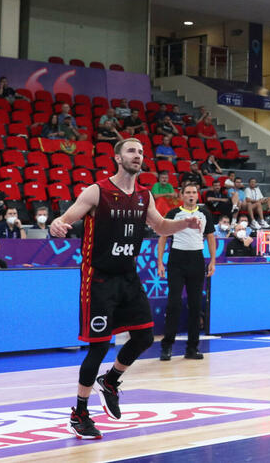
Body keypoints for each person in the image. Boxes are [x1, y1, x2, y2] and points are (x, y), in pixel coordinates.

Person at [49, 137, 202, 439]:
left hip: (128, 277)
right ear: (117, 158)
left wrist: (185, 224)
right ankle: (80, 412)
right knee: (99, 346)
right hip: (99, 279)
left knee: (144, 335)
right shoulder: (97, 191)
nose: (138, 155)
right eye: (131, 150)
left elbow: (160, 227)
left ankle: (111, 381)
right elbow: (66, 218)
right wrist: (58, 223)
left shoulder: (145, 196)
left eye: (141, 152)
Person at [157, 183, 217, 361]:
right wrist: (160, 262)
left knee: (195, 305)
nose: (191, 195)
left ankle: (192, 348)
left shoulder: (204, 213)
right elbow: (162, 237)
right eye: (188, 192)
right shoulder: (174, 214)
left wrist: (213, 260)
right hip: (176, 260)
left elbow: (211, 238)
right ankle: (167, 347)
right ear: (181, 195)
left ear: (198, 196)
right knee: (174, 303)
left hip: (196, 260)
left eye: (194, 192)